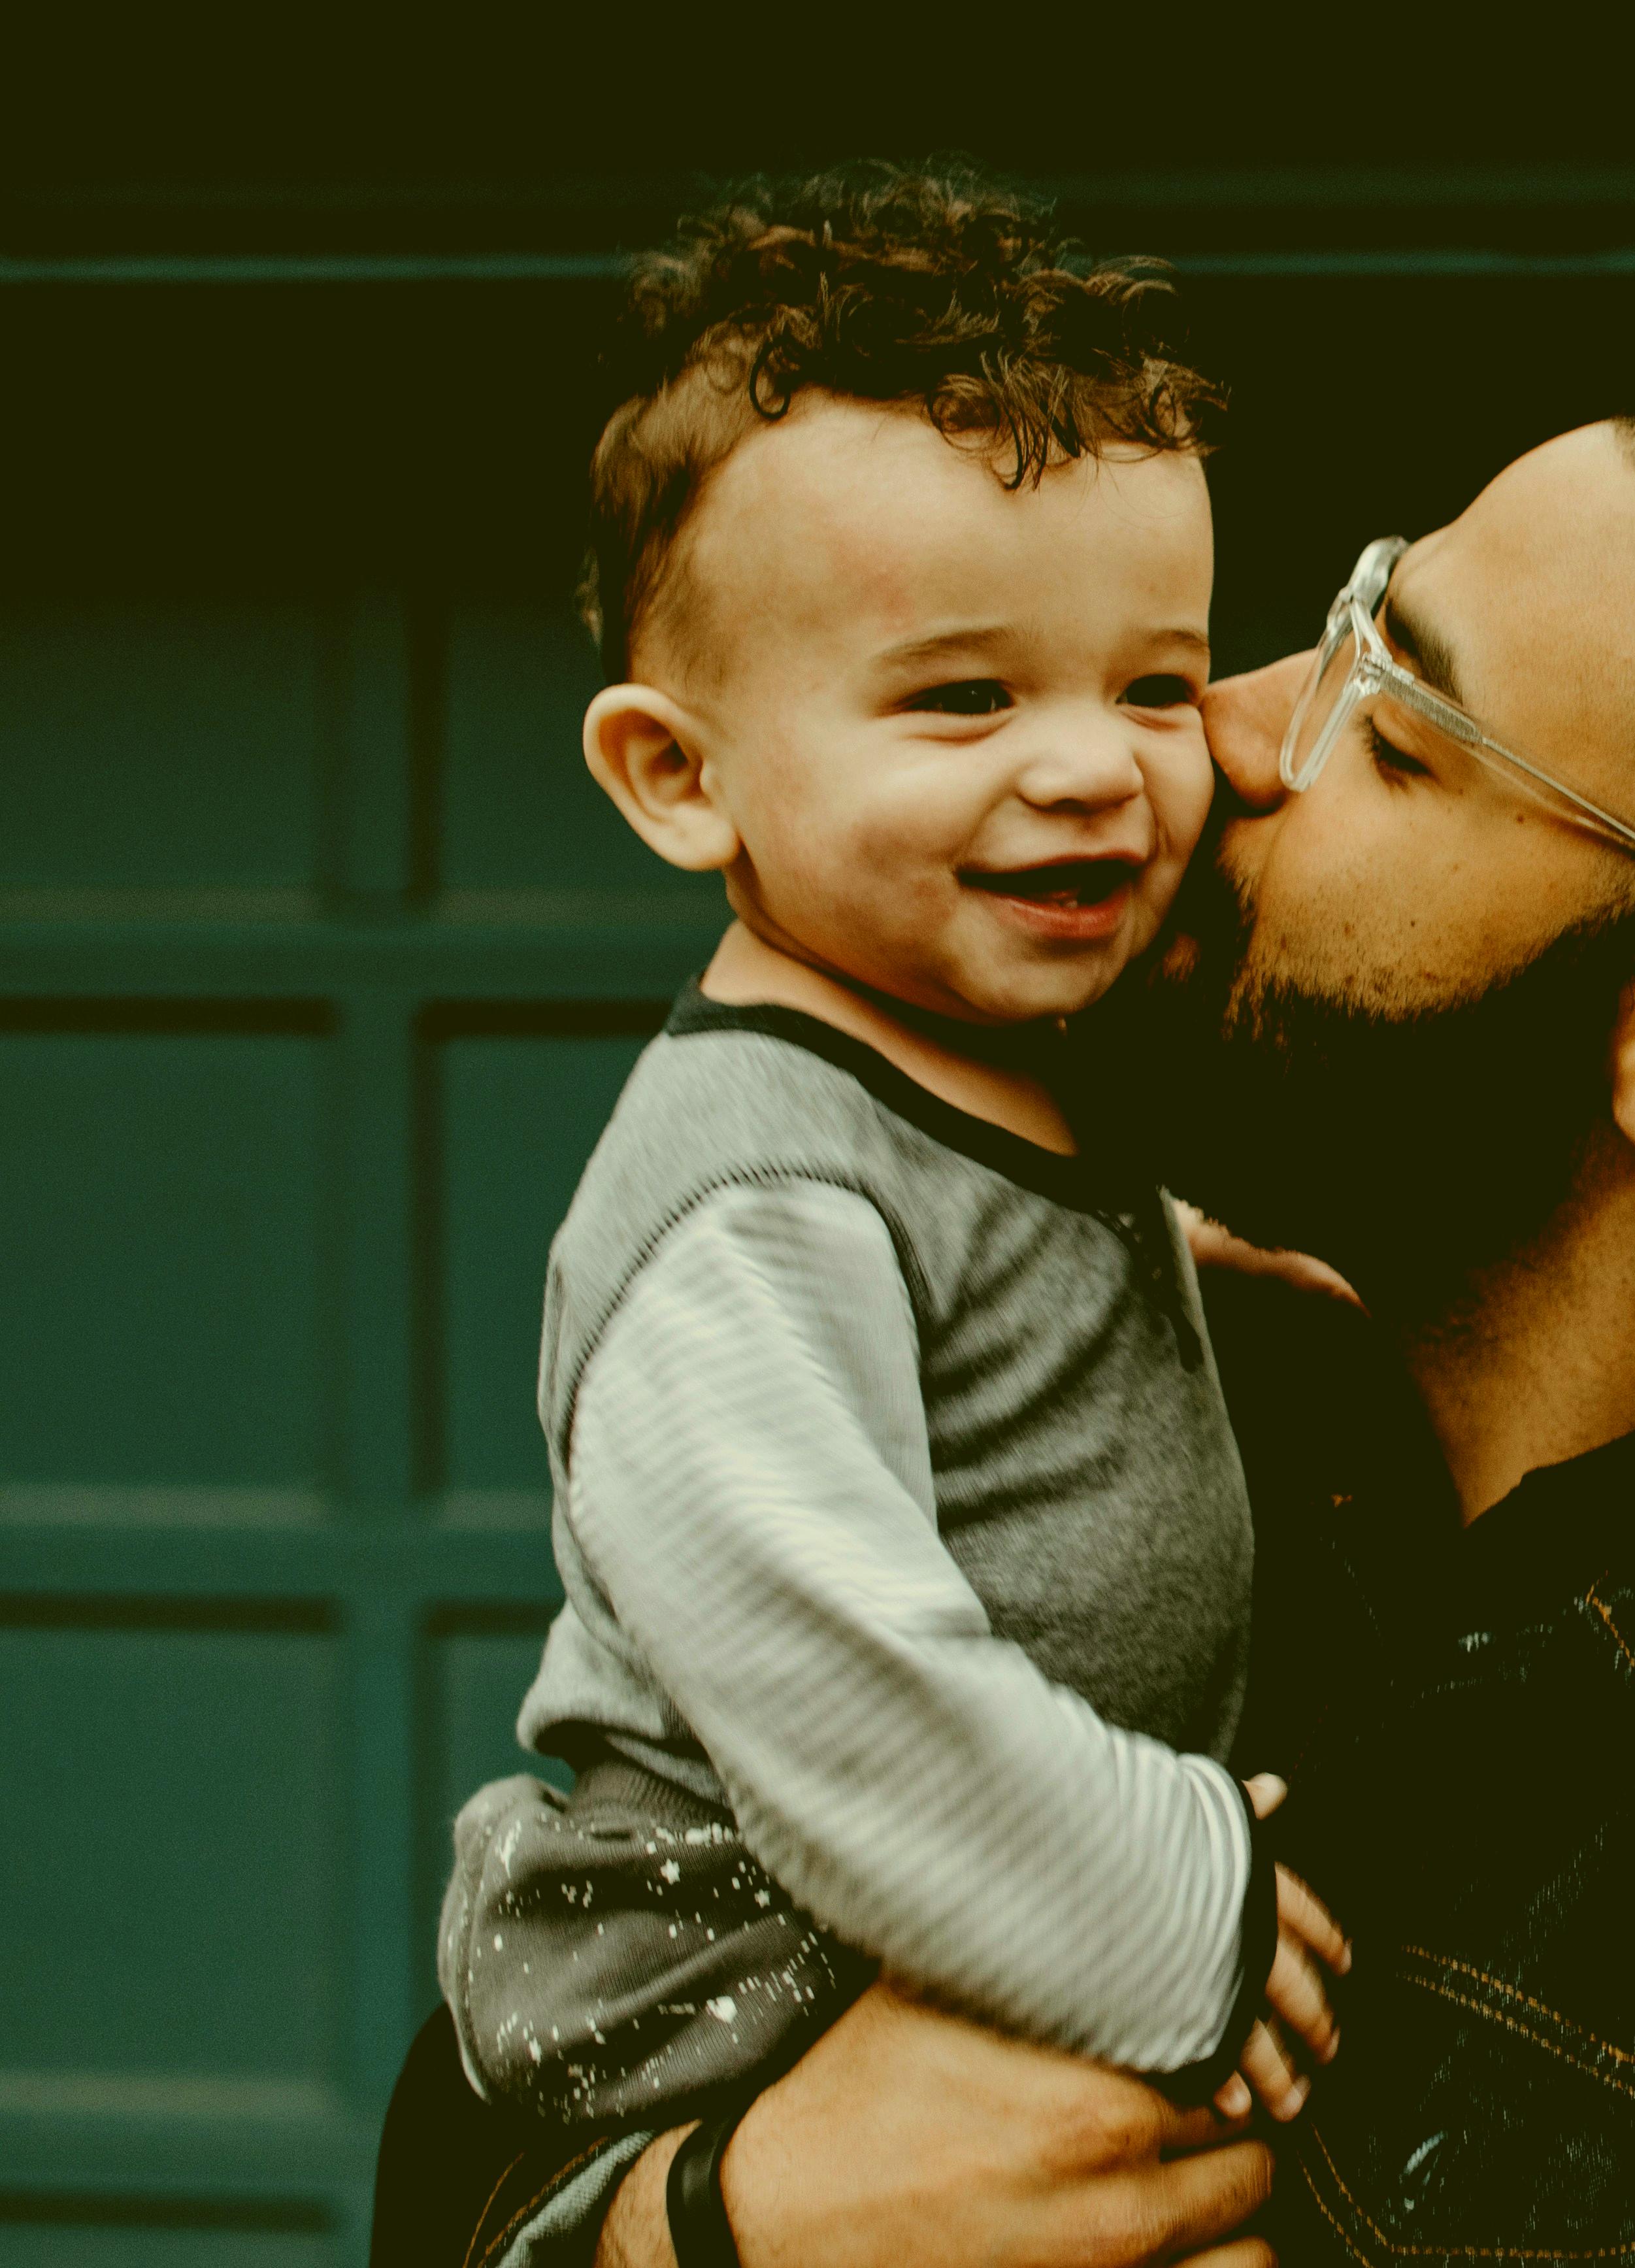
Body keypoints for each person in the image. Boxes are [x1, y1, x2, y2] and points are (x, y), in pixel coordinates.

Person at [376, 242, 1635, 2267]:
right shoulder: (1119, 1433)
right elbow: (492, 2100)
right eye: (1330, 639)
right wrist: (710, 2230)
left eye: (1395, 735)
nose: (1210, 741)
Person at [425, 156, 1346, 2189]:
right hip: (727, 1980)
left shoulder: (989, 1061)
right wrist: (1164, 1900)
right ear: (683, 776)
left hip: (929, 1932)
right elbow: (833, 1672)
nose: (1095, 764)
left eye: (1158, 685)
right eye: (963, 698)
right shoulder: (752, 1201)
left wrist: (1221, 1290)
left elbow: (1013, 1302)